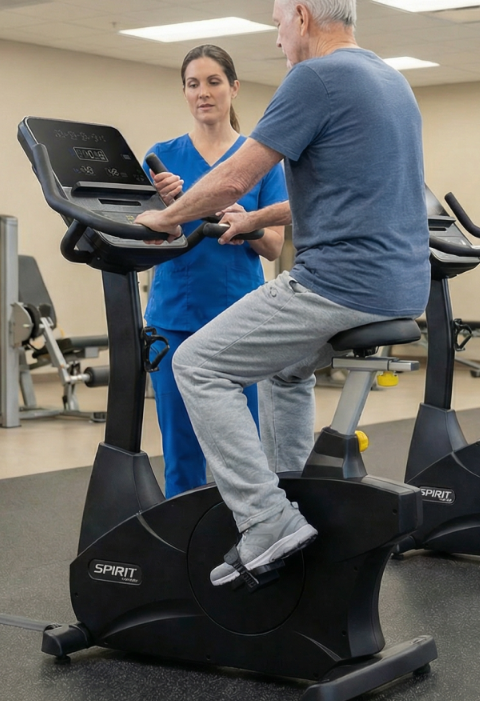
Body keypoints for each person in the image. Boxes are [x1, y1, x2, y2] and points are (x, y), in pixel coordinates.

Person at [133, 0, 428, 587]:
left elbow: (234, 177)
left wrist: (163, 219)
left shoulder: (315, 76)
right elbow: (346, 193)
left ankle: (266, 519)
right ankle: (295, 492)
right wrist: (254, 219)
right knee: (285, 371)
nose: (277, 39)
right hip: (400, 285)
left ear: (301, 14)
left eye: (276, 25)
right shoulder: (390, 79)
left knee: (197, 364)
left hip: (337, 282)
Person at [144, 44, 289, 499]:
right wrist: (166, 210)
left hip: (239, 320)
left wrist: (247, 222)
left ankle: (247, 527)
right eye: (193, 84)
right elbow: (147, 242)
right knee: (180, 448)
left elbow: (273, 247)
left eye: (213, 82)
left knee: (241, 447)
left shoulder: (259, 159)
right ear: (184, 93)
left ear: (233, 88)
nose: (203, 92)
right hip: (174, 316)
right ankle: (182, 533)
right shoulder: (161, 158)